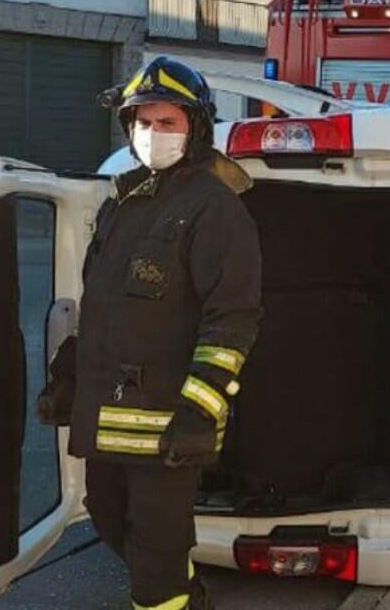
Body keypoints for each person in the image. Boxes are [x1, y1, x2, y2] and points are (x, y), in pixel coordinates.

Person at [35, 56, 263, 610]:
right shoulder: (124, 204)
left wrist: (198, 411)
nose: (152, 134)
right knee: (111, 525)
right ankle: (191, 595)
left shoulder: (215, 210)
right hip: (108, 424)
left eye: (168, 123)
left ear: (196, 129)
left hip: (169, 431)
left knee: (156, 570)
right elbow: (107, 308)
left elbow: (232, 320)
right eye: (143, 121)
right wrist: (71, 368)